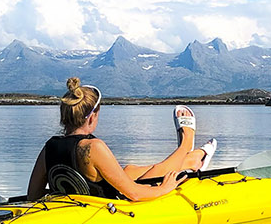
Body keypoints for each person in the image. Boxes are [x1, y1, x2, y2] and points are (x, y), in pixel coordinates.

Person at [26, 78, 218, 202]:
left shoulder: (49, 147)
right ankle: (187, 147)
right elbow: (133, 193)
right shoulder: (94, 147)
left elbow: (33, 195)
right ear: (92, 117)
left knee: (129, 170)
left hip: (83, 204)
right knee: (158, 173)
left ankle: (191, 160)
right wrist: (164, 188)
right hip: (110, 207)